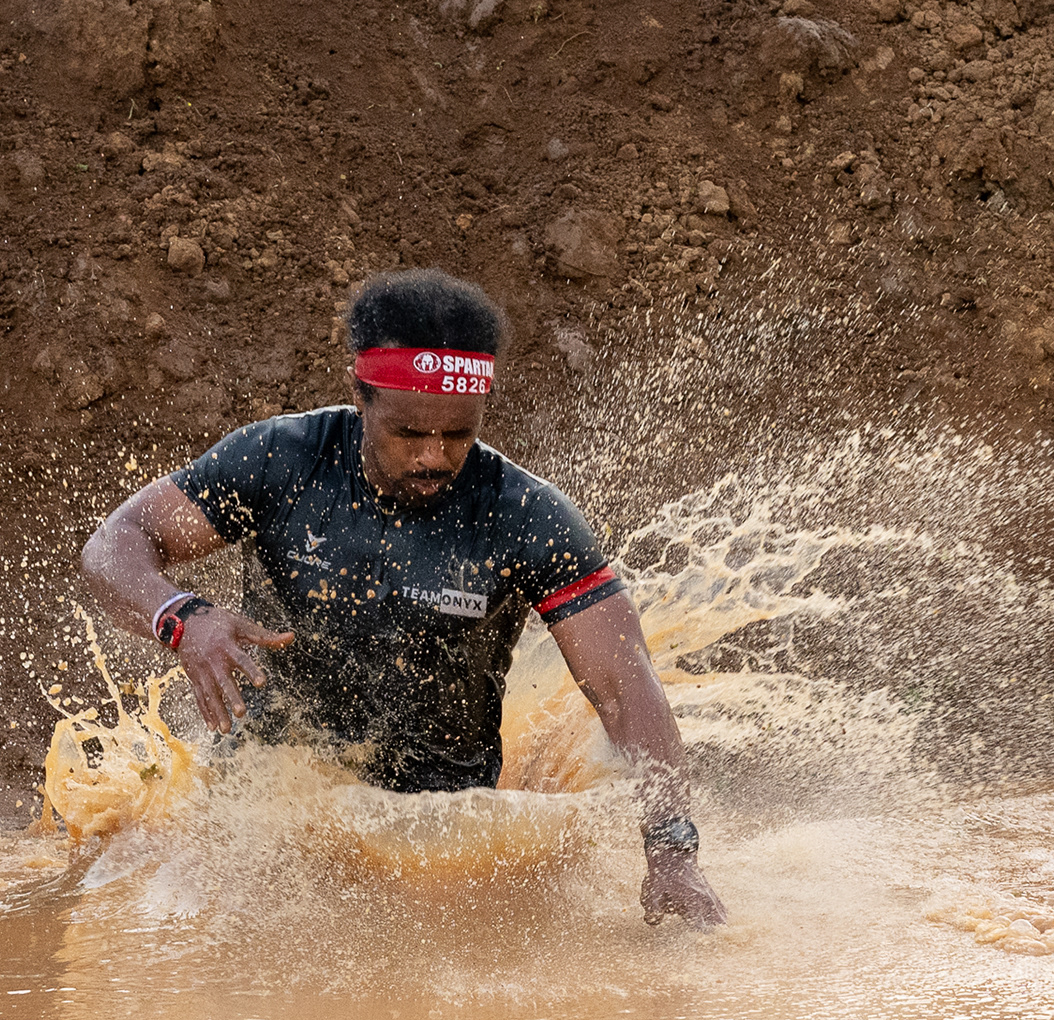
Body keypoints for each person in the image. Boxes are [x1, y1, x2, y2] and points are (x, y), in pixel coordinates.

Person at [80, 270, 727, 929]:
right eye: (408, 432)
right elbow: (114, 544)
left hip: (440, 834)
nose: (433, 457)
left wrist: (672, 850)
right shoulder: (280, 460)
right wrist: (181, 618)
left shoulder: (526, 516)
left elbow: (624, 687)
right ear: (359, 394)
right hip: (267, 805)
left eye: (458, 435)